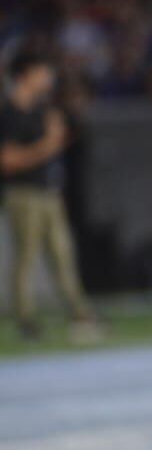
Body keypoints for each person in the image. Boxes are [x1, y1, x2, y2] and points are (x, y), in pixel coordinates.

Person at [0, 50, 99, 343]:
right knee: (26, 258)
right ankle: (26, 320)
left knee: (62, 253)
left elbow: (63, 139)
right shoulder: (10, 113)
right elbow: (7, 159)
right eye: (42, 72)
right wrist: (48, 144)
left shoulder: (43, 109)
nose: (48, 78)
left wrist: (59, 135)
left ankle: (80, 312)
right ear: (24, 75)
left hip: (48, 191)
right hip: (23, 192)